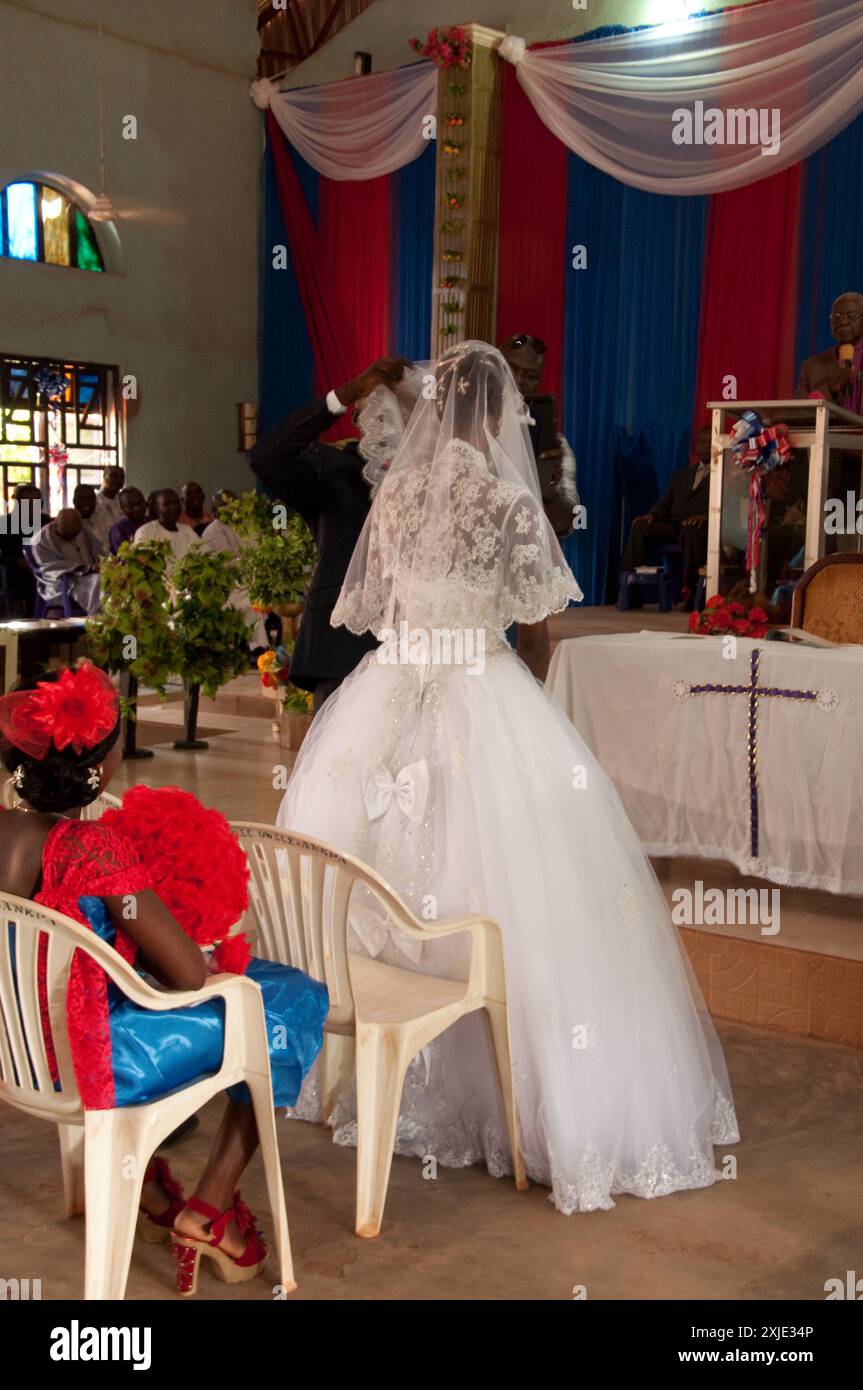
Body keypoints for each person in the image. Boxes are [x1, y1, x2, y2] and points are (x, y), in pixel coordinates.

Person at [276, 342, 738, 1215]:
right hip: (478, 690)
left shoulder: (398, 491)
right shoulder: (501, 499)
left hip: (388, 689)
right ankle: (523, 1105)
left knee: (367, 858)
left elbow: (374, 608)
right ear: (494, 416)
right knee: (518, 885)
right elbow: (531, 619)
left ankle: (360, 1071)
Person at [0, 663, 328, 1294]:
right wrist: (197, 939)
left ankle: (146, 1186)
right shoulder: (92, 848)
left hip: (20, 1048)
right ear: (103, 764)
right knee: (286, 999)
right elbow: (183, 978)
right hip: (89, 1059)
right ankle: (210, 1209)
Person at [248, 355, 412, 713]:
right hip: (341, 646)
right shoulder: (330, 466)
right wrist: (344, 393)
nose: (388, 418)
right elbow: (265, 457)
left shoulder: (428, 479)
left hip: (415, 641)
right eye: (374, 407)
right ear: (356, 418)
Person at [620, 425, 711, 605]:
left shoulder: (722, 475)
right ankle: (630, 593)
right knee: (640, 527)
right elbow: (665, 502)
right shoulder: (681, 474)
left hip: (699, 529)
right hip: (673, 525)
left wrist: (705, 517)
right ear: (696, 446)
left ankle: (692, 595)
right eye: (702, 442)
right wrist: (651, 515)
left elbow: (723, 507)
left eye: (710, 442)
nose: (706, 446)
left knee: (691, 531)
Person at [499, 332, 578, 537]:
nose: (518, 381)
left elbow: (569, 525)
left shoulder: (556, 447)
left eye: (530, 376)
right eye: (511, 369)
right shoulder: (467, 433)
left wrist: (549, 494)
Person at [200, 489, 268, 649]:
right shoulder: (211, 531)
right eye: (223, 506)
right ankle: (256, 648)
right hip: (229, 586)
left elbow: (259, 551)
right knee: (250, 602)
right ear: (214, 511)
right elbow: (228, 563)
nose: (229, 510)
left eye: (232, 505)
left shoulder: (247, 525)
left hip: (254, 579)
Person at [27, 507, 102, 615]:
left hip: (88, 574)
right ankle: (96, 619)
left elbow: (98, 550)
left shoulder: (84, 531)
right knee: (97, 581)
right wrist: (87, 569)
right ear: (56, 523)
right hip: (60, 581)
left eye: (74, 535)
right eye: (67, 536)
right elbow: (49, 568)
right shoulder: (40, 540)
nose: (72, 539)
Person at [796, 292, 863, 409]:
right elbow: (797, 414)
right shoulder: (811, 367)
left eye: (851, 315)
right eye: (837, 316)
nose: (843, 321)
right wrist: (832, 389)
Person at [1, 482, 43, 615]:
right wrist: (17, 561)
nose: (32, 507)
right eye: (27, 503)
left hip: (44, 568)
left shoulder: (45, 521)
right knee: (32, 582)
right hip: (15, 570)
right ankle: (35, 620)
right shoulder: (5, 523)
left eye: (35, 502)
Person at [133, 488, 198, 562]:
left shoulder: (187, 530)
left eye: (177, 503)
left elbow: (205, 553)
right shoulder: (145, 532)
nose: (174, 507)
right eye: (167, 504)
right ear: (156, 509)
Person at [92, 465, 125, 547]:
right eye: (113, 476)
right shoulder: (93, 502)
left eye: (121, 477)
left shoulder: (125, 502)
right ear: (104, 476)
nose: (117, 480)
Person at [108, 486, 147, 554]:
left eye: (139, 503)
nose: (137, 508)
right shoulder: (118, 529)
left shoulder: (152, 522)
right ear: (122, 508)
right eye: (131, 506)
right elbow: (126, 556)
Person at [72, 483, 107, 557]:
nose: (87, 502)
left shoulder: (102, 521)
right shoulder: (68, 525)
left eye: (91, 498)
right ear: (74, 501)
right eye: (82, 499)